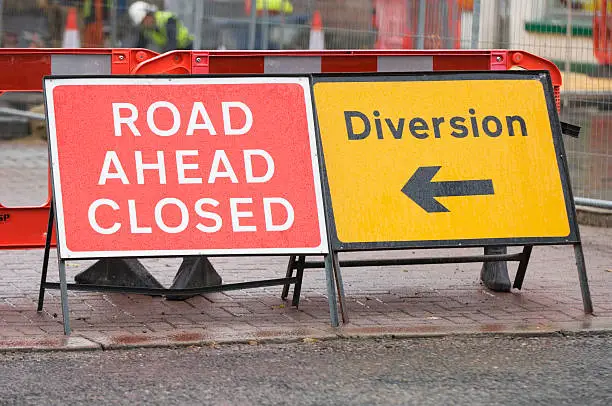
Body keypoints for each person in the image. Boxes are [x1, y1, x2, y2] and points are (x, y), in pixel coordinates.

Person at [128, 1, 194, 53]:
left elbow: (172, 43)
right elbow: (140, 46)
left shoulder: (168, 19)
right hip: (171, 50)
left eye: (144, 20)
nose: (145, 24)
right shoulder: (146, 29)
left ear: (149, 14)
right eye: (142, 22)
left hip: (185, 48)